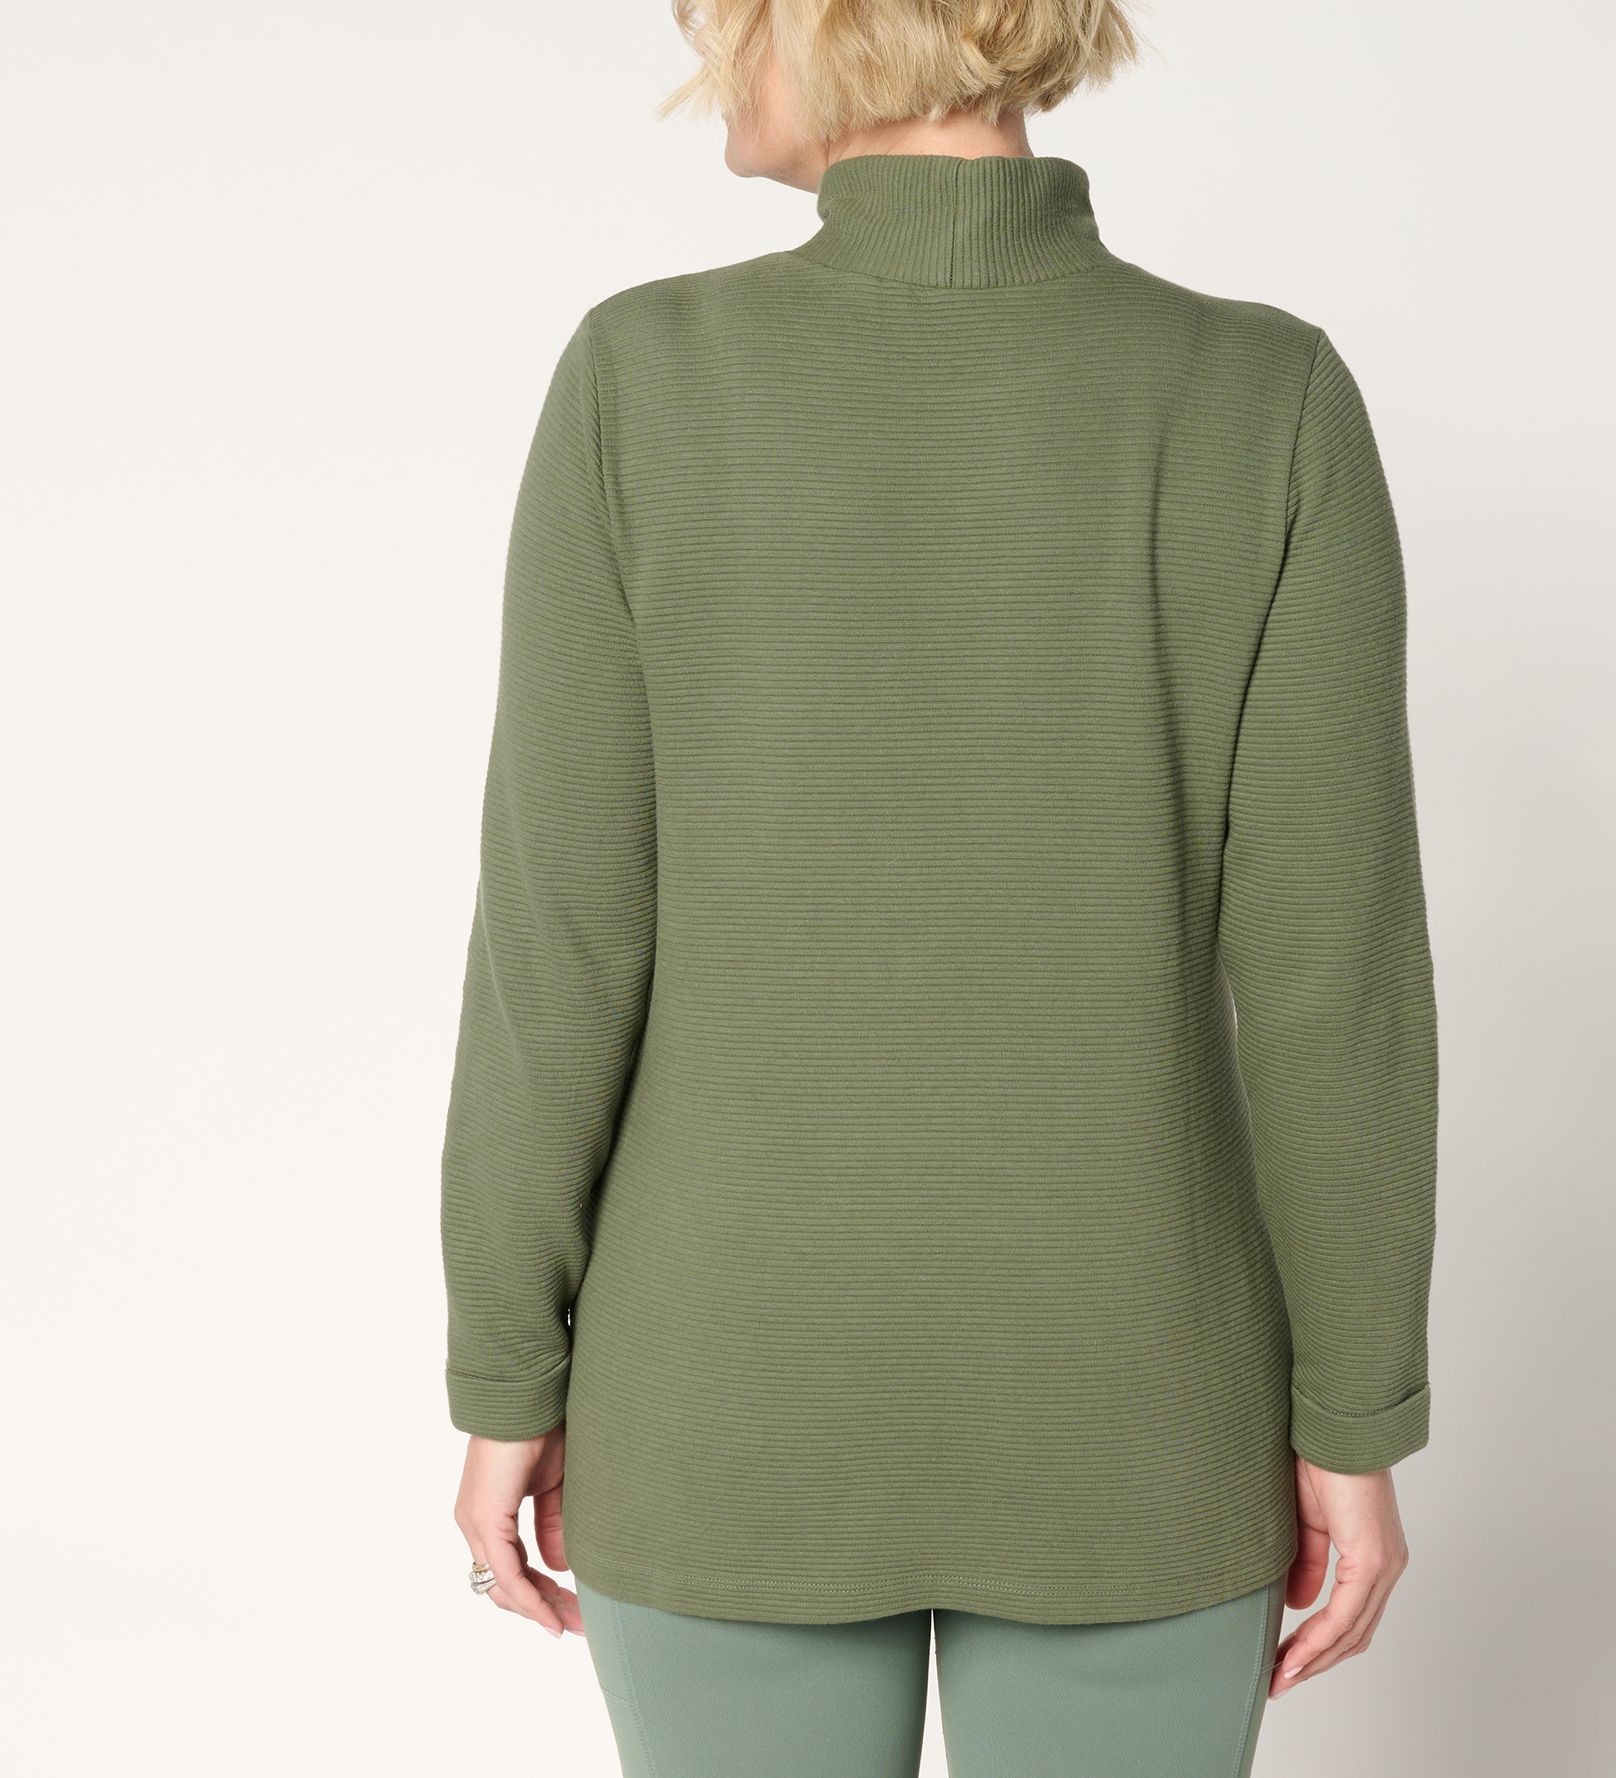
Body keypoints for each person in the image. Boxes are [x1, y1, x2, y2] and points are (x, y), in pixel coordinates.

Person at [440, 4, 1439, 1773]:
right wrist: (1352, 1415)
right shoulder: (1262, 395)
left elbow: (560, 944)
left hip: (726, 1397)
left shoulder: (641, 380)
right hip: (1138, 1407)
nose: (703, 51)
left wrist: (509, 1369)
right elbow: (1331, 985)